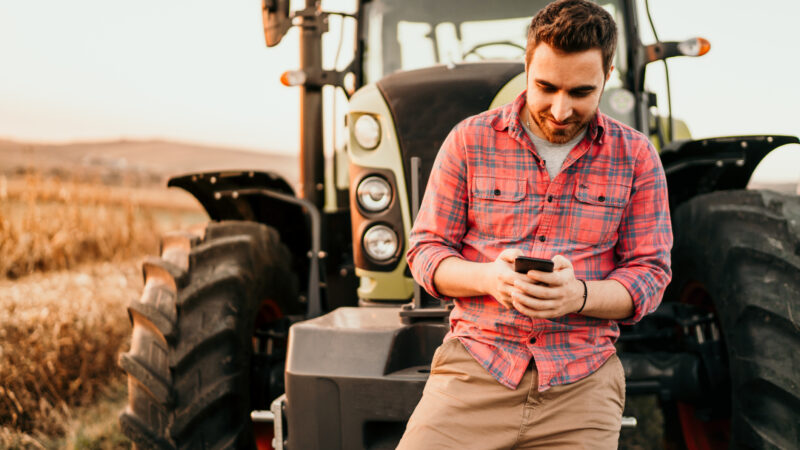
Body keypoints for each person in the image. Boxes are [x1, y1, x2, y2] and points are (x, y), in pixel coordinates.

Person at [399, 0, 673, 448]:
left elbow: (650, 274)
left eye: (581, 92)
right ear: (526, 66)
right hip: (475, 369)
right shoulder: (469, 140)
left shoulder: (637, 156)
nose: (561, 110)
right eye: (546, 87)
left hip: (582, 381)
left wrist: (577, 296)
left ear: (606, 76)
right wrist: (490, 278)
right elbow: (426, 251)